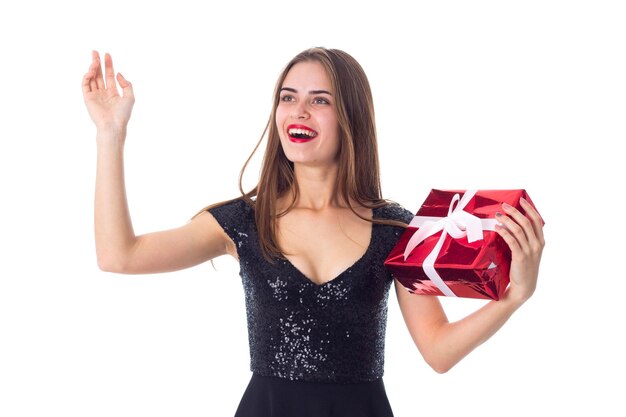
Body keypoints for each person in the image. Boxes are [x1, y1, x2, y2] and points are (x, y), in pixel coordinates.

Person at [82, 47, 545, 416]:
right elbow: (118, 256)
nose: (298, 111)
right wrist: (110, 134)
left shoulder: (397, 228)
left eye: (319, 100)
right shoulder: (243, 221)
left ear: (351, 117)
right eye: (288, 97)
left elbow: (438, 352)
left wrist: (513, 296)